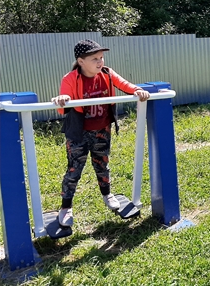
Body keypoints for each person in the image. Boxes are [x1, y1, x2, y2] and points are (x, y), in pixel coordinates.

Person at [51, 39, 151, 227]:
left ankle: (107, 194)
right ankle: (66, 207)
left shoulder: (107, 73)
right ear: (81, 61)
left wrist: (138, 90)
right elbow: (62, 107)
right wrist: (63, 99)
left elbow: (126, 85)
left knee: (102, 165)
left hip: (102, 129)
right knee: (74, 170)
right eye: (94, 58)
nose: (100, 62)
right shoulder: (71, 78)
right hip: (78, 133)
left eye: (101, 57)